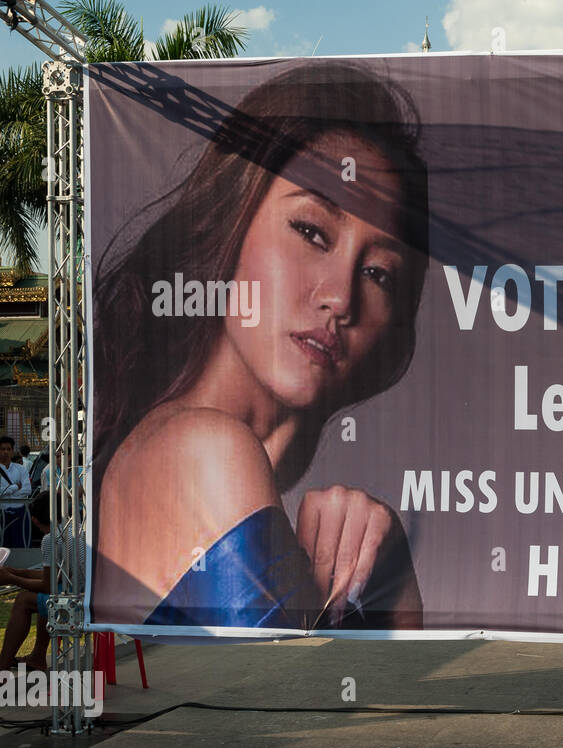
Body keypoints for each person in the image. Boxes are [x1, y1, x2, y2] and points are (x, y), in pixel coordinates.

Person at [91, 62, 430, 632]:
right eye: (311, 232)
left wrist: (388, 568)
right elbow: (305, 714)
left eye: (378, 274)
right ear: (233, 218)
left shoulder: (181, 447)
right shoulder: (204, 449)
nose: (340, 298)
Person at [0, 492, 82, 670]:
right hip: (87, 592)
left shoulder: (51, 539)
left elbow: (47, 585)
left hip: (78, 601)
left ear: (35, 520)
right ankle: (37, 656)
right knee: (39, 599)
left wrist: (11, 578)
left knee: (23, 600)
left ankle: (3, 665)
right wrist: (15, 572)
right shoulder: (76, 529)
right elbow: (54, 577)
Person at [0, 436, 32, 549]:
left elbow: (28, 489)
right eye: (2, 449)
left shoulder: (21, 469)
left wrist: (6, 492)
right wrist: (15, 487)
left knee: (21, 547)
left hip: (21, 514)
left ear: (12, 451)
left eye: (8, 449)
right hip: (2, 515)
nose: (5, 452)